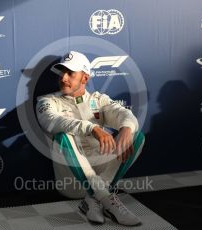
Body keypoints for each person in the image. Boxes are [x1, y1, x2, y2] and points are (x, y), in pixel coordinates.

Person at [36, 51, 145, 226]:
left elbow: (123, 114)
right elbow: (51, 121)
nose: (63, 78)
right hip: (72, 182)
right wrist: (91, 127)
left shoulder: (98, 100)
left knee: (135, 135)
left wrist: (126, 129)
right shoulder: (48, 101)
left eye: (70, 73)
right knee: (63, 136)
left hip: (104, 176)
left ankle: (94, 199)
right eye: (62, 72)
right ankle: (109, 201)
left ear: (85, 78)